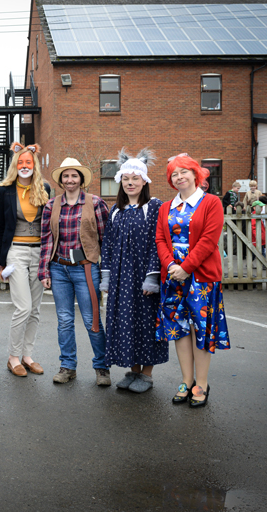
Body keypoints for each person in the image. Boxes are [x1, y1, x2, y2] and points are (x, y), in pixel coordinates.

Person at [156, 153, 231, 408]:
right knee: (179, 330)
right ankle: (186, 382)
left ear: (195, 174)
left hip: (201, 277)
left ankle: (202, 384)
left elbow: (209, 240)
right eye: (174, 174)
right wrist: (171, 266)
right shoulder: (166, 207)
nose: (179, 177)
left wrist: (186, 268)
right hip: (173, 277)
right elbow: (160, 239)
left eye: (184, 172)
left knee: (201, 329)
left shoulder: (211, 202)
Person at [100, 149, 168, 393]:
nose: (130, 183)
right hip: (121, 279)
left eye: (135, 178)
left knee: (146, 323)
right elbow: (107, 245)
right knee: (126, 323)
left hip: (143, 277)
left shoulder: (155, 207)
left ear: (144, 180)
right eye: (126, 179)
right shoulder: (116, 211)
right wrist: (107, 277)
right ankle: (134, 370)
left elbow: (159, 243)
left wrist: (152, 278)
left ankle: (146, 375)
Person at [39, 157, 111, 387]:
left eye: (74, 176)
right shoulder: (51, 206)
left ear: (81, 179)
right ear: (61, 180)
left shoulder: (96, 203)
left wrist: (107, 273)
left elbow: (106, 240)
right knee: (64, 320)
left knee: (92, 319)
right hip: (59, 269)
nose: (70, 180)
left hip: (85, 269)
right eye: (66, 176)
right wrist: (44, 271)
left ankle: (102, 367)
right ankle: (68, 366)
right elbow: (46, 240)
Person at [0, 142, 50, 377]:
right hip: (15, 251)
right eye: (21, 162)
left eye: (28, 162)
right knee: (23, 307)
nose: (25, 166)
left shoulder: (45, 187)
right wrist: (1, 261)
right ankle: (13, 357)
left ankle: (27, 356)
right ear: (15, 165)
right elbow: (0, 227)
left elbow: (49, 224)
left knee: (35, 309)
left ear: (34, 164)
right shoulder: (5, 190)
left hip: (39, 252)